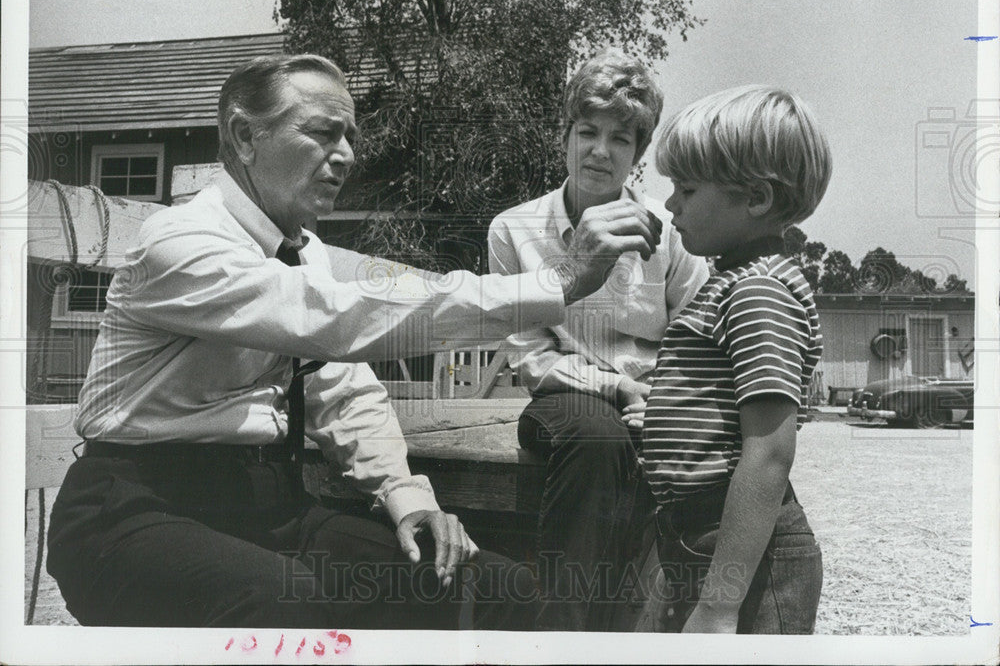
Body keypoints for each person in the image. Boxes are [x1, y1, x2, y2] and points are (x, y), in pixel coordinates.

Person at [45, 54, 665, 629]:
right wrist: (559, 280)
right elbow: (339, 318)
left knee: (494, 589)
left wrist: (405, 495)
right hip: (131, 512)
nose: (343, 155)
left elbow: (342, 390)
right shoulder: (180, 241)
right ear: (243, 137)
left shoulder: (303, 251)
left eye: (350, 138)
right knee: (294, 609)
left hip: (267, 510)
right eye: (321, 133)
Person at [488, 51, 708, 631]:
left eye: (620, 139)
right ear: (564, 135)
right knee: (595, 433)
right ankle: (563, 629)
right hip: (568, 396)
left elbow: (696, 330)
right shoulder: (513, 229)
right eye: (587, 132)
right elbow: (531, 356)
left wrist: (659, 399)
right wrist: (618, 388)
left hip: (657, 399)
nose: (600, 151)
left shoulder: (670, 231)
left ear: (638, 154)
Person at [641, 85, 831, 634]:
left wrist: (721, 603)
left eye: (688, 188)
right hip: (697, 534)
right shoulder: (730, 281)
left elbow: (770, 450)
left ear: (756, 199)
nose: (671, 204)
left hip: (745, 555)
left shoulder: (758, 291)